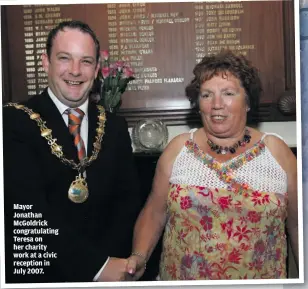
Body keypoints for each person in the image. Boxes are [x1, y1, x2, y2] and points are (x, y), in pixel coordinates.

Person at [125, 50, 299, 280]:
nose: (217, 104)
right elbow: (155, 212)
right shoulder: (178, 149)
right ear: (199, 104)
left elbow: (298, 225)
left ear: (248, 102)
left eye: (228, 93)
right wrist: (138, 256)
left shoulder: (277, 153)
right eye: (207, 95)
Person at [3, 20, 142, 283]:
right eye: (65, 58)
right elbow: (28, 214)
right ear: (46, 62)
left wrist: (112, 265)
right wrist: (96, 268)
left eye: (86, 61)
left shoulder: (113, 126)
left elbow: (127, 204)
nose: (75, 71)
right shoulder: (12, 122)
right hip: (42, 276)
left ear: (97, 69)